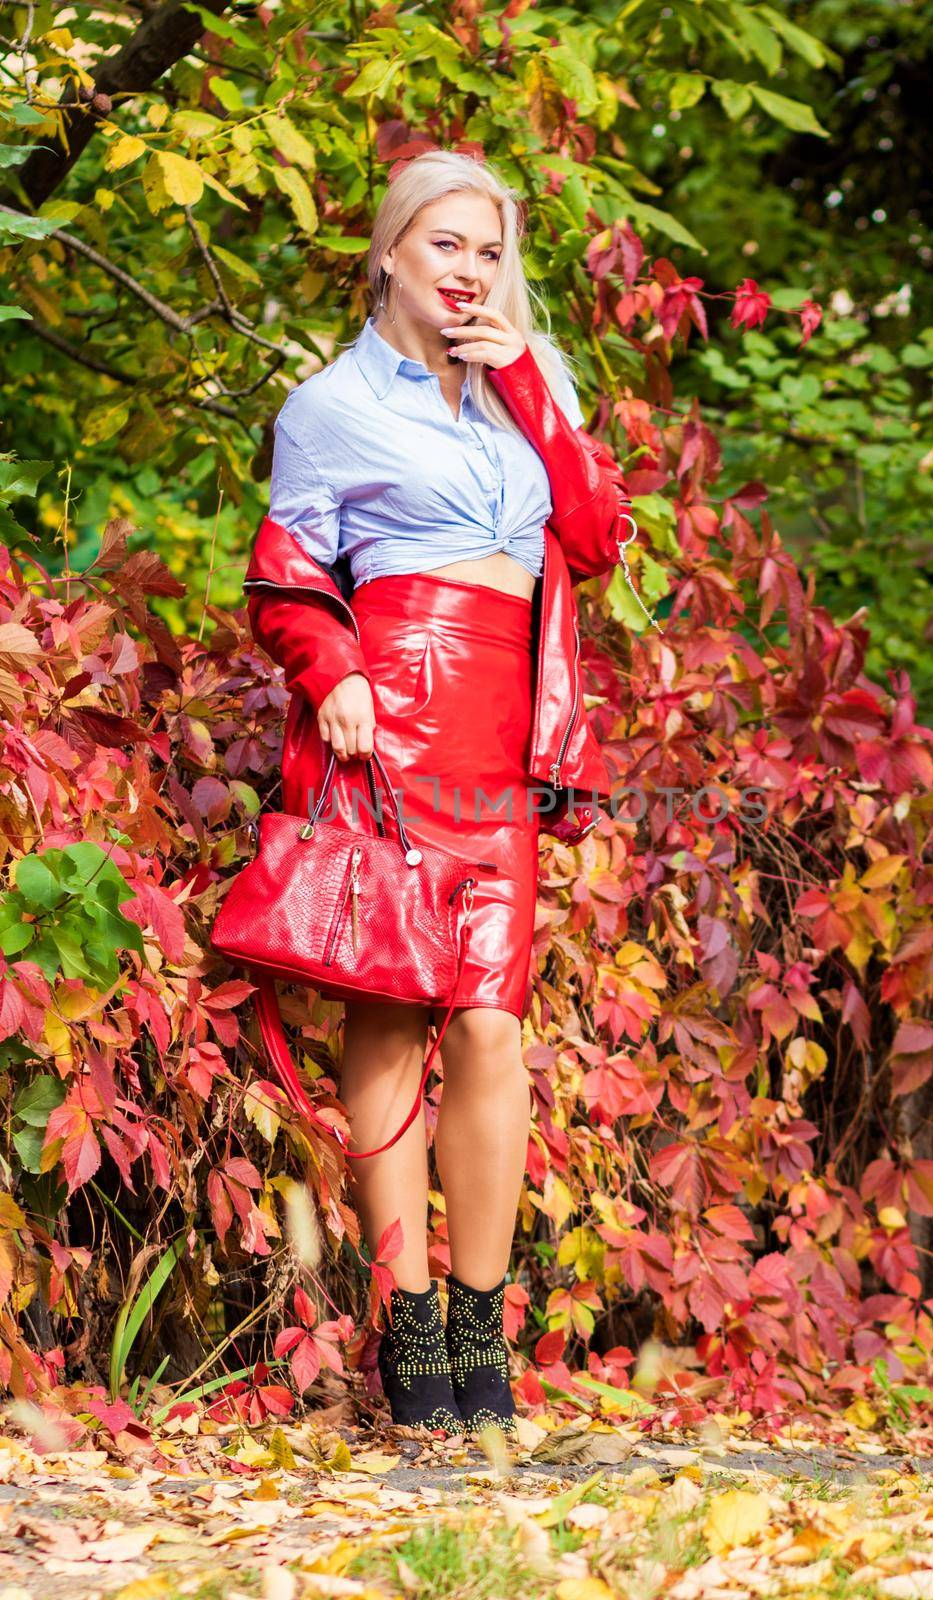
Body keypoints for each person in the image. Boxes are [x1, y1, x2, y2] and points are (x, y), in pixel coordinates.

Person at [242, 149, 633, 1439]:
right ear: (390, 252)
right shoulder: (328, 405)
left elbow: (595, 538)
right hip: (388, 720)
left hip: (503, 735)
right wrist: (332, 666)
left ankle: (481, 1320)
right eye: (446, 245)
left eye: (488, 250)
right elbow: (286, 566)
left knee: (490, 1030)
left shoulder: (535, 382)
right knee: (396, 1020)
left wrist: (525, 374)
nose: (468, 271)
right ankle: (409, 1328)